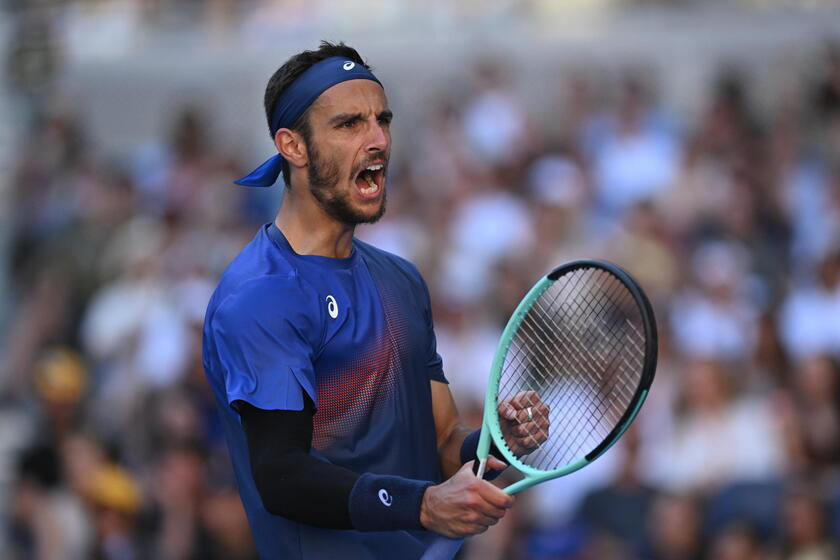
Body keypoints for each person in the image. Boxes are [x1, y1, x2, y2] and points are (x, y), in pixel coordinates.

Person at [201, 41, 549, 559]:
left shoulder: (401, 281)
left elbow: (444, 444)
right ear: (292, 146)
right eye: (349, 125)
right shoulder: (261, 296)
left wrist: (497, 441)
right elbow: (282, 475)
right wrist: (425, 506)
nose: (379, 140)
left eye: (382, 120)